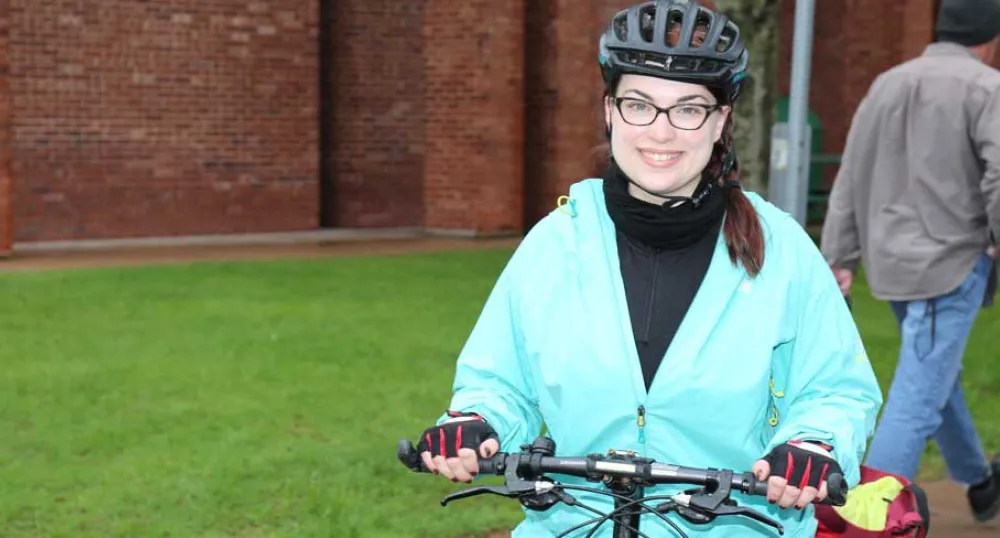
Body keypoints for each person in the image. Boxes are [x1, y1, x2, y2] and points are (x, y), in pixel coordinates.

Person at [409, 1, 882, 536]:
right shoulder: (555, 243)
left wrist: (812, 443)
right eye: (639, 104)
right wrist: (476, 420)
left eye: (688, 109)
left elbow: (835, 389)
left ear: (721, 119)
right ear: (610, 110)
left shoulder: (782, 250)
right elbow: (500, 379)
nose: (661, 132)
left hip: (736, 525)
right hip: (575, 524)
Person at [820, 0, 1000, 524]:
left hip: (891, 265)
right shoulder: (987, 88)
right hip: (951, 263)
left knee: (931, 371)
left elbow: (850, 174)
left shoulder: (887, 83)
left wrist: (839, 255)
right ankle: (863, 519)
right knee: (919, 392)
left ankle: (980, 480)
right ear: (990, 40)